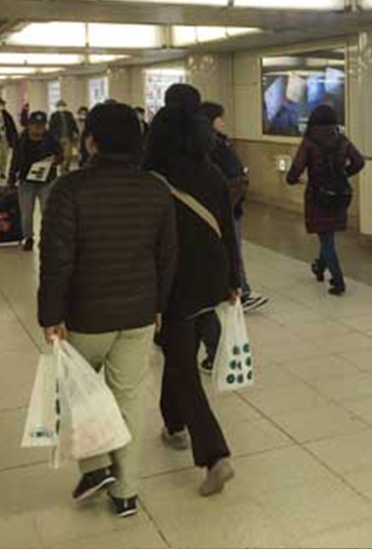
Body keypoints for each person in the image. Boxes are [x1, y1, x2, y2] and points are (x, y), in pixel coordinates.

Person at [38, 103, 177, 519]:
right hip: (138, 314)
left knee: (79, 390)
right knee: (129, 399)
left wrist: (50, 315)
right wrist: (158, 305)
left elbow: (57, 260)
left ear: (90, 141)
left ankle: (96, 466)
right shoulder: (156, 189)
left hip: (86, 316)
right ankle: (126, 491)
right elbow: (167, 255)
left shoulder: (69, 189)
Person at [145, 103, 238, 496]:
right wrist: (234, 279)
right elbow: (228, 229)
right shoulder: (211, 172)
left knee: (183, 364)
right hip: (212, 278)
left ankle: (215, 455)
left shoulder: (152, 178)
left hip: (175, 284)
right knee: (179, 353)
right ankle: (173, 425)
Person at [285, 105, 365, 296]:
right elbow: (359, 161)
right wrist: (343, 174)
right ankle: (320, 267)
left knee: (326, 238)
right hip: (339, 194)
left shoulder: (309, 141)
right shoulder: (342, 140)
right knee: (327, 234)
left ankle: (338, 280)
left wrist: (294, 179)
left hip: (318, 195)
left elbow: (294, 172)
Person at [201, 101, 268, 315]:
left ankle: (233, 289)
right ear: (212, 120)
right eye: (220, 118)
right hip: (228, 207)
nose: (223, 122)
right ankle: (242, 292)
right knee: (233, 250)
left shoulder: (210, 143)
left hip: (222, 206)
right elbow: (233, 174)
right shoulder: (216, 145)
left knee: (227, 250)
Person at [8, 111, 62, 252]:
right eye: (35, 125)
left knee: (47, 212)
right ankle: (28, 238)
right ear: (29, 125)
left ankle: (47, 238)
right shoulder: (21, 139)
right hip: (26, 181)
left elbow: (60, 156)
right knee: (26, 213)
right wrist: (11, 179)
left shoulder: (51, 139)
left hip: (47, 181)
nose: (38, 129)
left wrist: (54, 160)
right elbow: (15, 159)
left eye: (41, 126)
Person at [49, 101, 80, 173]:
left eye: (62, 105)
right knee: (61, 155)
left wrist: (76, 132)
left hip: (68, 137)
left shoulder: (69, 114)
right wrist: (54, 136)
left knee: (68, 155)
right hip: (58, 138)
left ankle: (65, 168)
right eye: (60, 105)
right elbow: (51, 127)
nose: (61, 107)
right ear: (57, 106)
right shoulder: (54, 115)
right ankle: (63, 170)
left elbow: (73, 124)